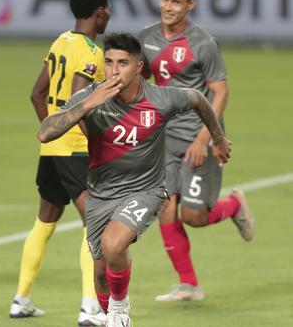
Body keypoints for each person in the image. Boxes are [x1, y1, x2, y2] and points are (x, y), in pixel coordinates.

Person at [37, 32, 231, 327]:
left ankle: (121, 311)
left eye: (123, 63)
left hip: (147, 189)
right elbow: (45, 132)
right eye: (109, 62)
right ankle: (112, 316)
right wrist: (88, 105)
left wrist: (217, 137)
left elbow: (198, 98)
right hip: (102, 193)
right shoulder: (90, 97)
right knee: (100, 273)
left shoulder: (160, 99)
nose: (114, 70)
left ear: (139, 67)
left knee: (115, 246)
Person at [137, 0, 255, 302]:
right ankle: (188, 284)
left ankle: (234, 206)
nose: (168, 6)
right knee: (165, 207)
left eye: (176, 1)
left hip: (198, 138)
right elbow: (144, 81)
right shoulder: (146, 37)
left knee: (193, 216)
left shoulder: (203, 43)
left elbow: (220, 92)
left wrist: (205, 138)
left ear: (191, 4)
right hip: (165, 137)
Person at [8, 0, 111, 325]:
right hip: (76, 150)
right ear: (100, 12)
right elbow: (77, 100)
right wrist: (87, 135)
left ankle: (20, 299)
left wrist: (50, 130)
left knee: (45, 220)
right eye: (108, 9)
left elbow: (37, 93)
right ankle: (90, 308)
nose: (109, 14)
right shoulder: (92, 52)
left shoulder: (61, 41)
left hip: (53, 149)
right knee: (94, 224)